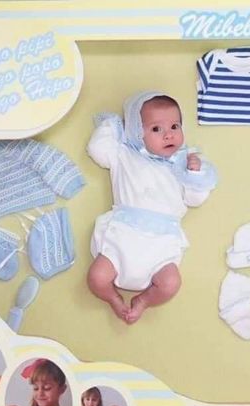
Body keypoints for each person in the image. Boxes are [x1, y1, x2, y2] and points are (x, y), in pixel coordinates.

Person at [87, 91, 217, 324]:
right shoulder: (125, 153)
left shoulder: (183, 163)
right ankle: (114, 299)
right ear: (137, 132)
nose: (169, 134)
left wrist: (194, 173)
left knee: (171, 283)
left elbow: (195, 199)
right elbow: (97, 149)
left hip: (161, 243)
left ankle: (144, 301)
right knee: (97, 278)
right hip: (123, 236)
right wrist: (112, 127)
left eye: (175, 126)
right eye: (156, 129)